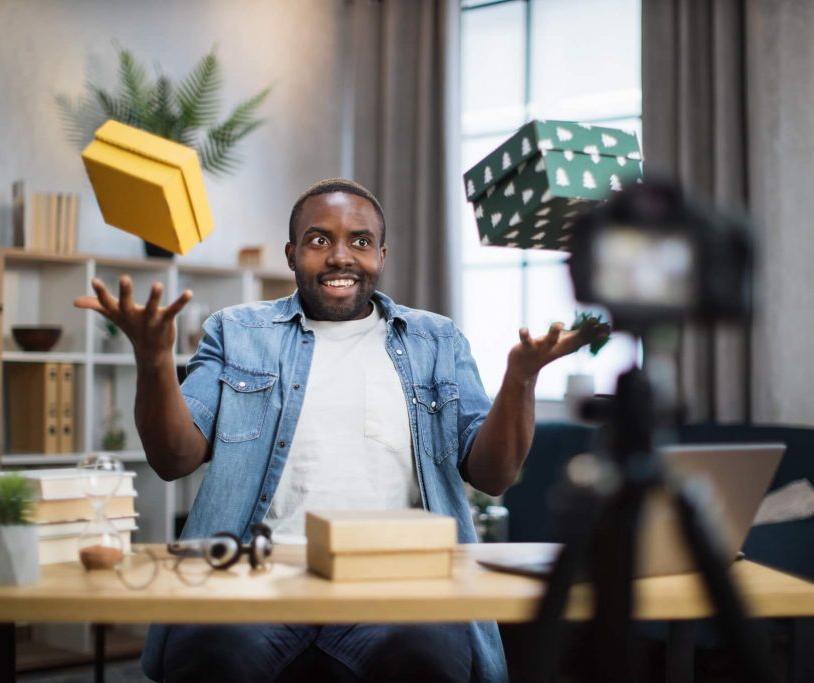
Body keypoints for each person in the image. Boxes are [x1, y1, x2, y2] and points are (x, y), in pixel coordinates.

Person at [75, 178, 610, 683]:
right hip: (255, 583)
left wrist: (520, 378)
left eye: (359, 241)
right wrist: (153, 359)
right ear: (291, 255)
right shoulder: (236, 332)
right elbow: (174, 458)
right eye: (318, 240)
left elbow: (493, 475)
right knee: (210, 653)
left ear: (381, 254)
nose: (339, 256)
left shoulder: (437, 341)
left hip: (399, 589)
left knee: (429, 657)